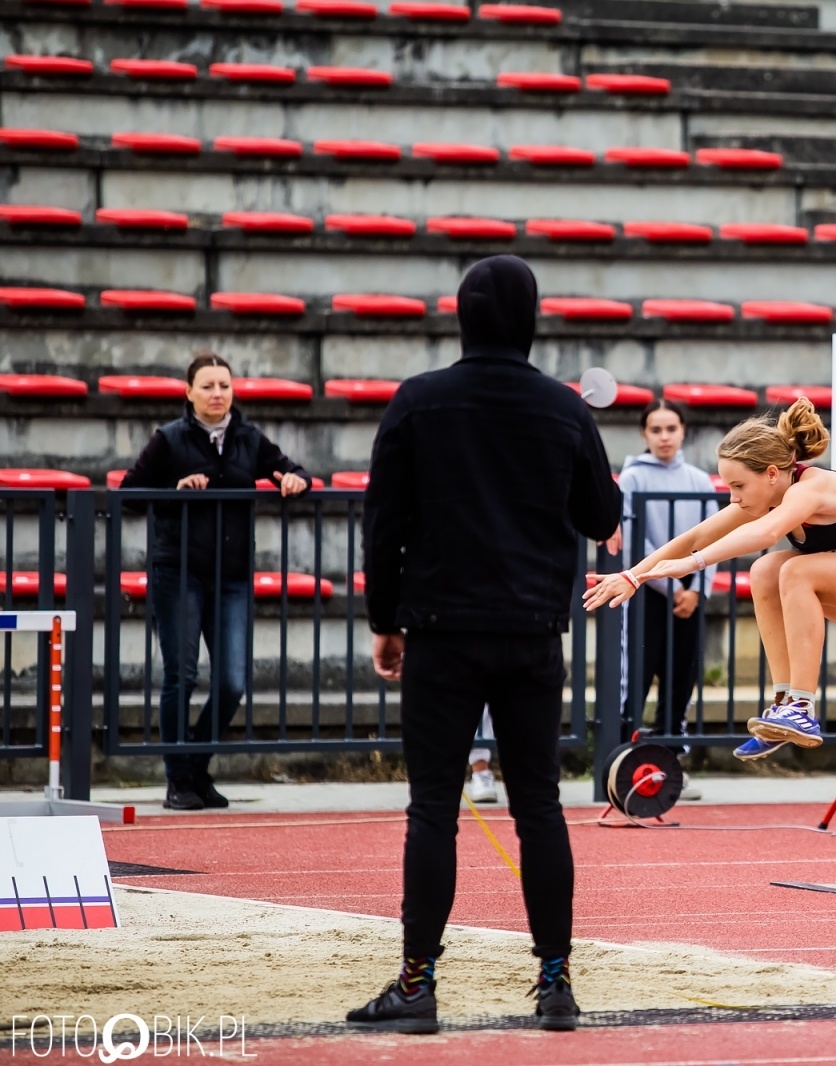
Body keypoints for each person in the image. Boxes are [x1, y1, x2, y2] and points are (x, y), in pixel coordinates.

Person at [349, 255, 621, 1035]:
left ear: (461, 315)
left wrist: (385, 620)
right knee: (539, 803)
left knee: (434, 804)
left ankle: (417, 984)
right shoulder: (563, 410)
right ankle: (556, 982)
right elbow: (599, 513)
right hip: (533, 630)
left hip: (441, 627)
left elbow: (385, 524)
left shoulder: (419, 400)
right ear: (531, 318)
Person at [583, 397, 836, 760]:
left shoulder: (811, 489)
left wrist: (693, 565)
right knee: (765, 570)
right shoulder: (767, 495)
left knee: (795, 569)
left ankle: (801, 707)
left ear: (772, 473)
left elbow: (765, 534)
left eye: (738, 486)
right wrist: (634, 575)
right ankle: (785, 701)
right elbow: (695, 536)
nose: (733, 498)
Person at [121, 352, 310, 811]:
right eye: (207, 386)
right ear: (188, 392)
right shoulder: (168, 438)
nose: (217, 394)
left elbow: (295, 469)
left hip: (231, 578)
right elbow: (128, 494)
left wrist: (293, 481)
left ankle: (196, 768)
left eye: (224, 385)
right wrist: (175, 493)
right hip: (179, 572)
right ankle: (178, 780)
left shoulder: (248, 437)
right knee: (181, 676)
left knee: (232, 680)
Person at [609, 398, 719, 740]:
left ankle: (671, 753)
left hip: (690, 588)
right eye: (655, 430)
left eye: (671, 428)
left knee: (681, 676)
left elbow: (715, 536)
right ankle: (625, 752)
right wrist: (670, 588)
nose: (664, 437)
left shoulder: (700, 480)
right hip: (646, 588)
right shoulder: (632, 478)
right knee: (637, 675)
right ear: (644, 434)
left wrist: (697, 589)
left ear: (683, 431)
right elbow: (632, 541)